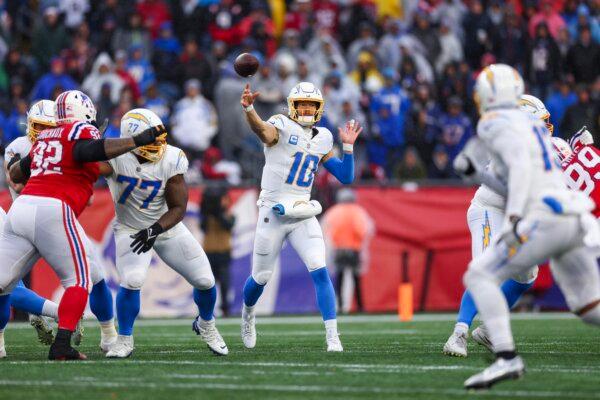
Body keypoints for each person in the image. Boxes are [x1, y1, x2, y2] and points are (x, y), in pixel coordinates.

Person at [454, 65, 600, 389]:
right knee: (589, 306)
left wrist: (514, 219)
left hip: (547, 217)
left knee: (480, 274)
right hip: (578, 217)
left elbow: (519, 172)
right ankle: (491, 339)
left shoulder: (505, 127)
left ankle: (506, 359)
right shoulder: (554, 141)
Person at [1, 90, 167, 360]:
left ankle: (95, 336)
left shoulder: (44, 137)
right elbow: (89, 150)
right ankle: (62, 345)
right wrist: (135, 141)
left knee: (1, 282)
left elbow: (18, 172)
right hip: (52, 209)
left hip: (21, 209)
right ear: (85, 112)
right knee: (79, 281)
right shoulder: (80, 132)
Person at [239, 81, 362, 352]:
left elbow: (345, 176)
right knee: (260, 277)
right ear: (292, 107)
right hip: (273, 210)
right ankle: (248, 314)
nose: (306, 109)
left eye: (311, 105)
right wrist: (249, 109)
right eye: (302, 104)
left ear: (319, 109)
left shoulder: (324, 137)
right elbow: (263, 131)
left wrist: (349, 147)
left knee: (320, 269)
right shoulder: (281, 124)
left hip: (302, 210)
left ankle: (333, 336)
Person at [99, 108, 227, 358]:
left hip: (165, 227)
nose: (156, 144)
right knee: (133, 279)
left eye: (158, 138)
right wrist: (94, 146)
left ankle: (206, 324)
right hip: (130, 229)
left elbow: (179, 207)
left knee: (205, 281)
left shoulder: (172, 157)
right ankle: (124, 339)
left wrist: (155, 229)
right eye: (149, 139)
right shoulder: (116, 156)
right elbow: (89, 166)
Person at [322, 188, 373, 313]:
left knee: (340, 278)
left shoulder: (333, 212)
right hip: (354, 249)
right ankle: (360, 306)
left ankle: (340, 305)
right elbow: (363, 229)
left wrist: (334, 242)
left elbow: (324, 228)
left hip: (339, 249)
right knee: (356, 278)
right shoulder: (358, 211)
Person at [200, 186, 235, 317]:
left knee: (225, 282)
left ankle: (225, 308)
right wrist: (209, 211)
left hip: (223, 252)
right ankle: (207, 309)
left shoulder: (229, 215)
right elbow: (203, 227)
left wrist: (218, 212)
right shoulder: (207, 215)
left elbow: (228, 225)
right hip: (209, 252)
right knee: (208, 283)